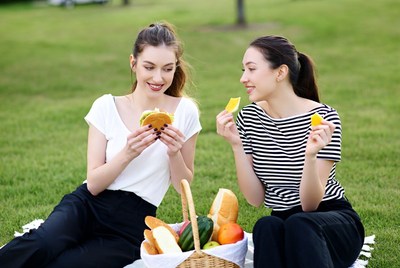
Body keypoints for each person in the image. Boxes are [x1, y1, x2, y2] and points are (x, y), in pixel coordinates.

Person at [0, 21, 201, 268]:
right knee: (41, 245)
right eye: (149, 67)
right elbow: (94, 183)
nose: (158, 78)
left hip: (130, 225)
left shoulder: (185, 112)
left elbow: (183, 188)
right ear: (133, 63)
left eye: (167, 69)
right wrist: (128, 153)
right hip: (87, 204)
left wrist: (174, 153)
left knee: (64, 264)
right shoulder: (106, 106)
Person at [216, 35, 365, 268]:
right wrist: (237, 145)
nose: (243, 78)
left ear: (280, 72)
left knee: (300, 222)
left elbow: (310, 205)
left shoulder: (323, 119)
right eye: (243, 69)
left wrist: (310, 155)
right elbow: (255, 199)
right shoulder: (248, 118)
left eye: (251, 69)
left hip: (330, 224)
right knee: (265, 226)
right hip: (286, 222)